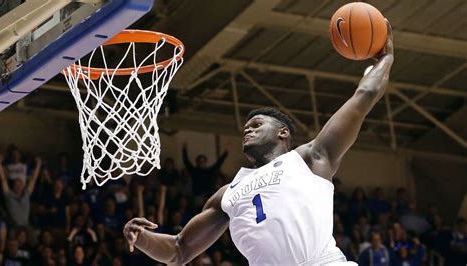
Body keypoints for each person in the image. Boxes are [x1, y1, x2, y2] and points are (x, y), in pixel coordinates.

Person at [123, 21, 394, 265]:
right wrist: (143, 238)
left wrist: (386, 58)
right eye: (245, 128)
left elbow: (364, 95)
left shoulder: (310, 158)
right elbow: (179, 250)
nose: (248, 130)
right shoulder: (226, 194)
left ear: (283, 133)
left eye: (256, 125)